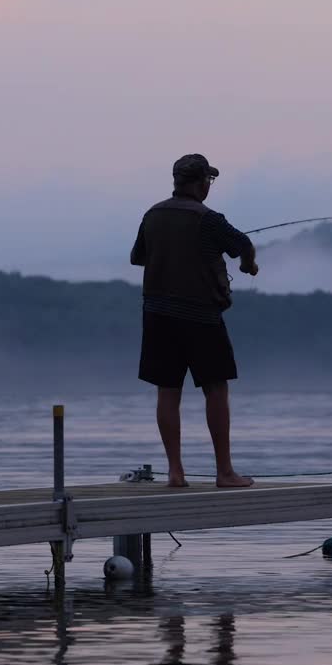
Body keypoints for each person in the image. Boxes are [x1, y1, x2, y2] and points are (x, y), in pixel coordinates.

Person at [130, 154, 258, 489]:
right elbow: (243, 244)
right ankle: (225, 472)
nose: (209, 187)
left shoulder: (152, 215)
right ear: (202, 181)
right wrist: (248, 265)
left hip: (157, 315)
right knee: (216, 388)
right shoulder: (209, 219)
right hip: (201, 316)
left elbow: (138, 257)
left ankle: (175, 472)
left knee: (168, 390)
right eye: (209, 181)